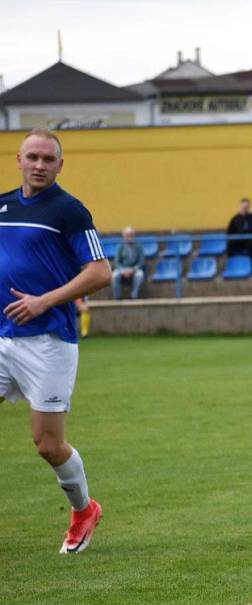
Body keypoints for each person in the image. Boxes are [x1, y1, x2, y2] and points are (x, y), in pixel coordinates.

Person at [0, 128, 110, 553]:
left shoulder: (69, 211)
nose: (40, 165)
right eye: (33, 157)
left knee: (47, 444)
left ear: (60, 166)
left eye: (48, 159)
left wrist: (44, 301)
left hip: (47, 341)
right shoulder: (3, 206)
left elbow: (100, 272)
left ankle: (84, 509)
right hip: (2, 337)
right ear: (19, 160)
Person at [111, 225, 145, 299]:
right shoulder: (120, 247)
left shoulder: (139, 247)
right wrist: (122, 270)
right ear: (123, 236)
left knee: (140, 275)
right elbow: (116, 262)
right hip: (122, 270)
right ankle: (117, 298)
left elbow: (141, 262)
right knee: (114, 275)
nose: (129, 238)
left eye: (131, 235)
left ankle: (134, 296)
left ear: (134, 236)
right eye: (127, 236)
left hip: (134, 270)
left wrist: (133, 270)